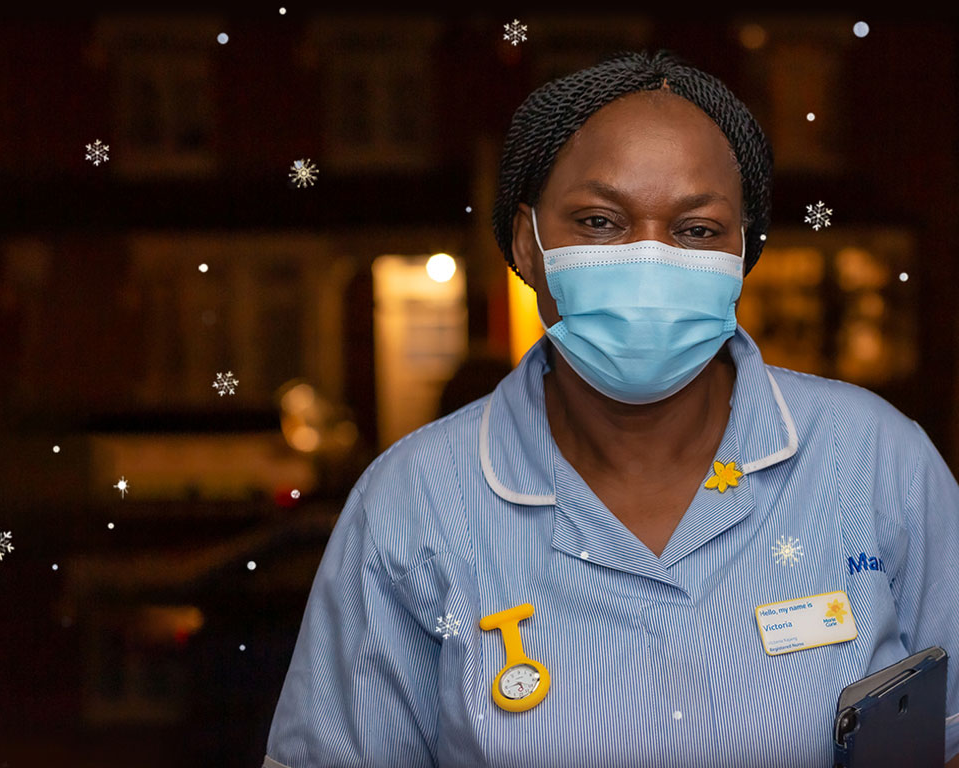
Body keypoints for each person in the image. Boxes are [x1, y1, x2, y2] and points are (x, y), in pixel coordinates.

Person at [260, 50, 959, 767]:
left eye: (696, 230)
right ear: (526, 244)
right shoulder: (416, 504)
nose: (648, 261)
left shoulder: (874, 462)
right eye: (599, 221)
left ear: (744, 252)